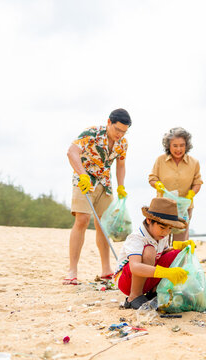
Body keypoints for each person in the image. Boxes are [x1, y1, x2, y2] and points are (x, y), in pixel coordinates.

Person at [64, 108, 131, 285]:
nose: (120, 134)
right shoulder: (91, 133)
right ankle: (72, 270)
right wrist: (82, 174)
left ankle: (106, 269)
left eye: (124, 131)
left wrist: (121, 186)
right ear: (109, 122)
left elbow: (121, 165)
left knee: (103, 224)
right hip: (84, 180)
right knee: (82, 219)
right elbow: (72, 152)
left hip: (105, 183)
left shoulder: (122, 143)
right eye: (117, 130)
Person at [113, 197, 193, 309]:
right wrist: (166, 272)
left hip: (148, 276)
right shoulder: (136, 237)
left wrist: (177, 248)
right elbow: (135, 267)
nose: (166, 232)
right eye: (162, 227)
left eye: (169, 228)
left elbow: (161, 254)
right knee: (149, 250)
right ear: (149, 220)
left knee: (177, 253)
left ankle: (154, 292)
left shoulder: (161, 236)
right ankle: (134, 296)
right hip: (127, 281)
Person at [149, 127, 203, 241]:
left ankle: (178, 259)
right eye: (175, 145)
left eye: (182, 145)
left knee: (180, 240)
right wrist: (157, 184)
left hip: (184, 207)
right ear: (168, 146)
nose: (179, 149)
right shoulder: (160, 160)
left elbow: (197, 182)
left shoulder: (194, 162)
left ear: (187, 145)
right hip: (163, 207)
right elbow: (152, 178)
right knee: (162, 238)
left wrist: (191, 194)